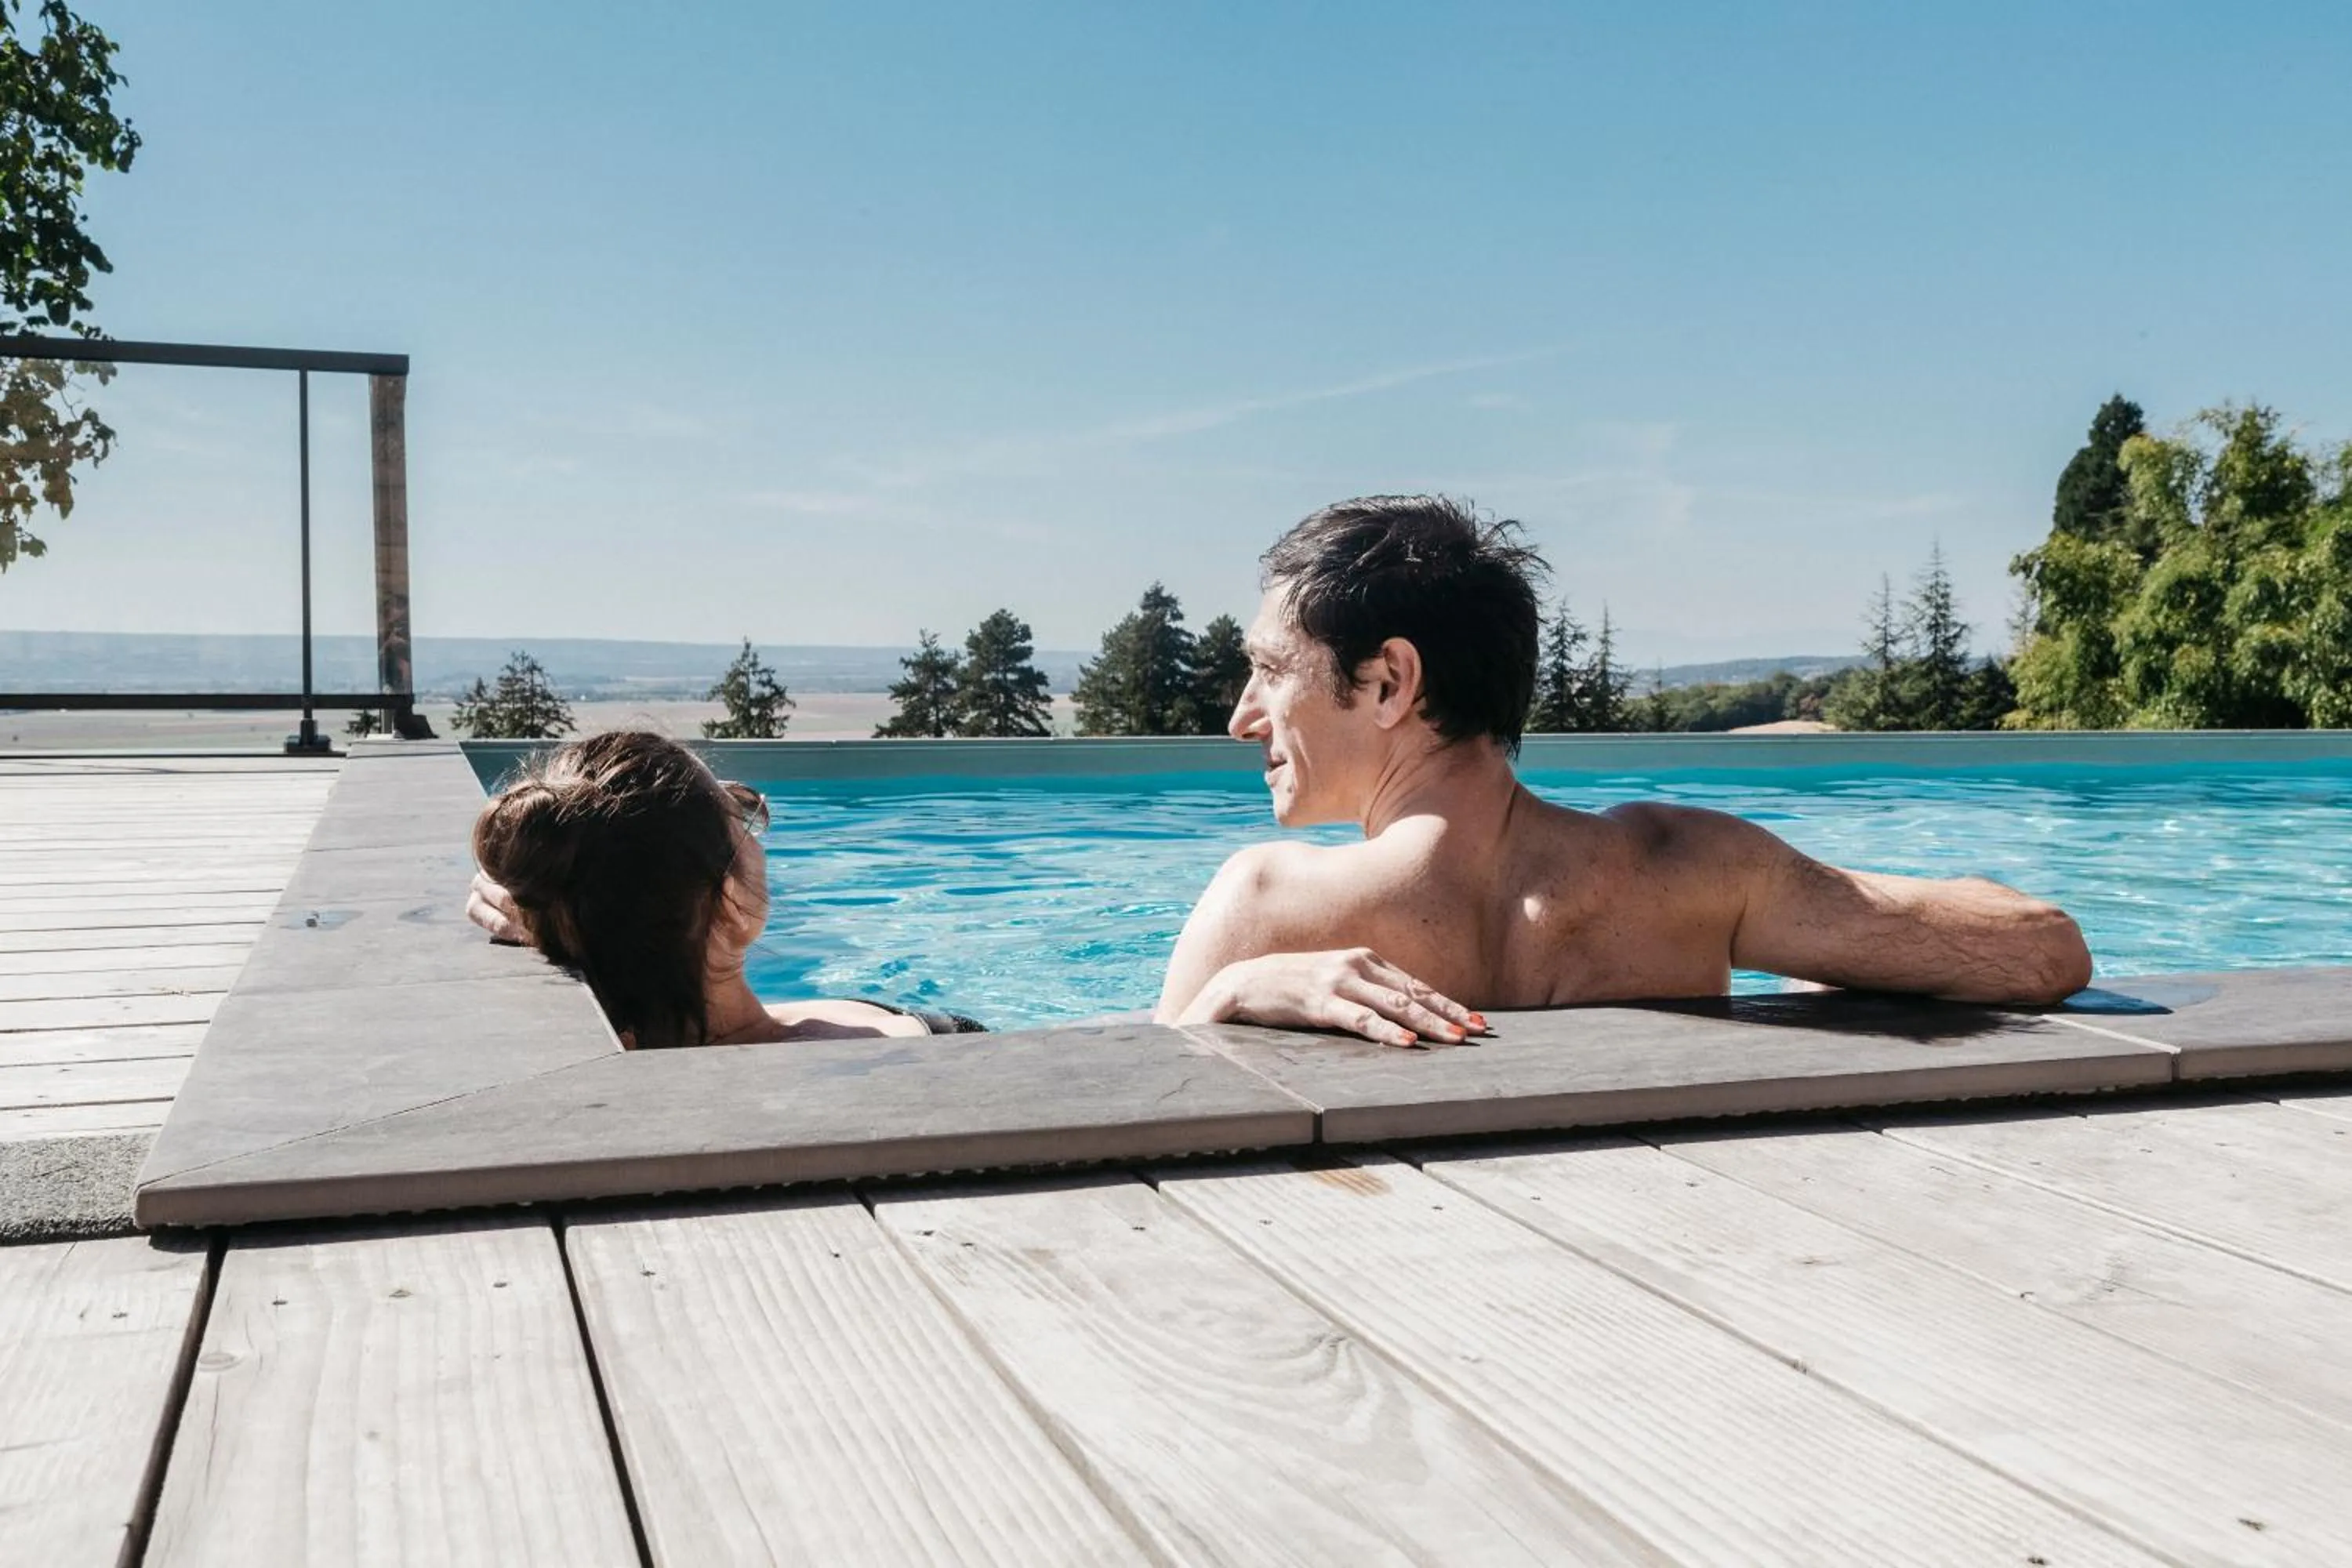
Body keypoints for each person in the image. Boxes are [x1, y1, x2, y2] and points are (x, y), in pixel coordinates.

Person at [1150, 495, 2094, 1047]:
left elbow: (1117, 1139)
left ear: (1391, 680)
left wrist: (1225, 998)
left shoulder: (1263, 908)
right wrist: (1850, 967)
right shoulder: (1690, 875)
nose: (1243, 716)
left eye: (1271, 669)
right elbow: (2045, 948)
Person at [470, 731, 982, 1047]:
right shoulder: (908, 1049)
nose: (756, 828)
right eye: (738, 813)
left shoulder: (631, 1054)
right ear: (731, 901)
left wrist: (549, 923)